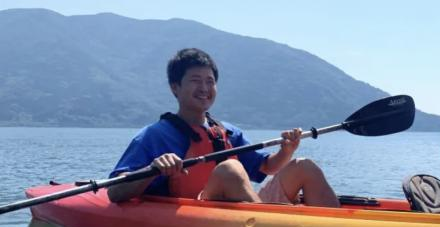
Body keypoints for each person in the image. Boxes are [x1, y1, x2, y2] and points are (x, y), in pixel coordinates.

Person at [107, 48, 340, 207]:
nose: (205, 88)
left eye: (210, 81)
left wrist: (286, 151)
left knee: (304, 166)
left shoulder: (226, 131)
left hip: (242, 212)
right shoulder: (154, 136)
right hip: (195, 213)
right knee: (229, 169)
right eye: (196, 81)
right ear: (175, 88)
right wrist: (153, 168)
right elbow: (115, 192)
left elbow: (265, 167)